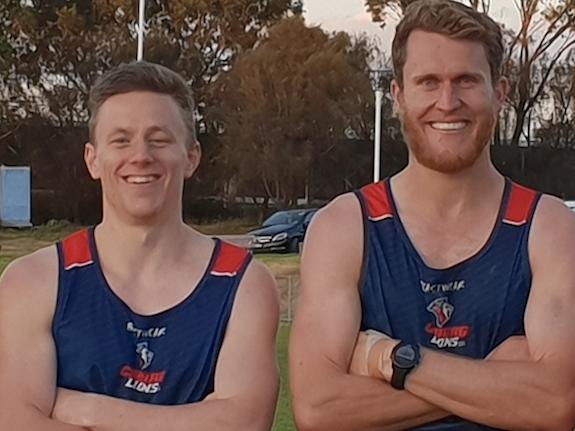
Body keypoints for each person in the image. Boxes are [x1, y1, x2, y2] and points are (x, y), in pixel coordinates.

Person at [289, 1, 575, 430]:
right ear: (399, 96)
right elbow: (320, 409)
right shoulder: (345, 227)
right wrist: (494, 378)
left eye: (466, 81)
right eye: (428, 82)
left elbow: (556, 403)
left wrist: (389, 359)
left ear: (501, 93)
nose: (447, 102)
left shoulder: (549, 228)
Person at [0, 61, 279, 430]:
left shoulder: (244, 285)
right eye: (121, 140)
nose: (141, 156)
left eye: (159, 139)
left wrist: (89, 411)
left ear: (191, 157)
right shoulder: (32, 282)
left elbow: (242, 423)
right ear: (93, 159)